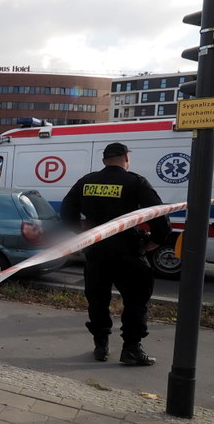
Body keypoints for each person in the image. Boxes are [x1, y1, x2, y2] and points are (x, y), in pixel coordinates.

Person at [60, 142, 172, 366]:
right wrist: (156, 241)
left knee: (97, 299)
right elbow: (157, 214)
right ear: (126, 158)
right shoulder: (135, 181)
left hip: (96, 250)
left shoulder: (86, 181)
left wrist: (82, 232)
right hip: (128, 252)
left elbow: (66, 210)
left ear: (104, 160)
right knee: (136, 301)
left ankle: (100, 346)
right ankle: (131, 349)